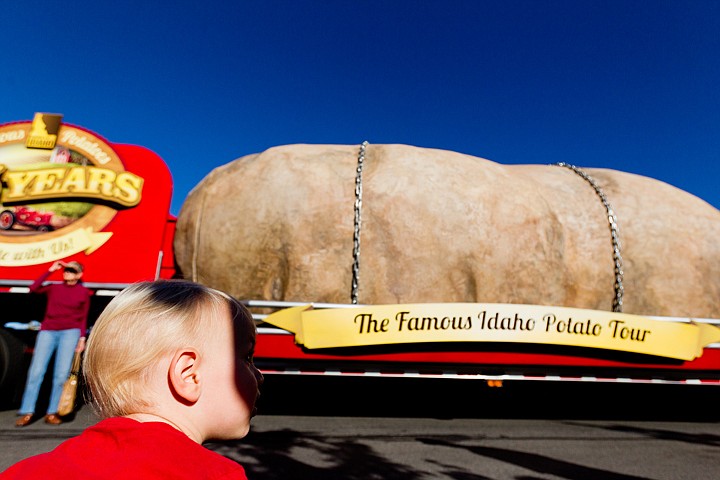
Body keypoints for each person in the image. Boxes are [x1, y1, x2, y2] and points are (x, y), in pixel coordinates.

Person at [2, 279, 263, 479]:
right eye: (247, 357)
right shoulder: (216, 474)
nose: (259, 375)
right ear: (188, 373)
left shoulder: (24, 471)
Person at [15, 260, 91, 427]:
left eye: (72, 271)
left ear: (79, 275)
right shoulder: (54, 288)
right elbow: (33, 288)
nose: (67, 273)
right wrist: (50, 270)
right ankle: (28, 411)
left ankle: (52, 412)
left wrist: (82, 339)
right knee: (36, 372)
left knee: (61, 375)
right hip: (48, 331)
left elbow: (83, 317)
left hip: (69, 333)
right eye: (66, 271)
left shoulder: (83, 292)